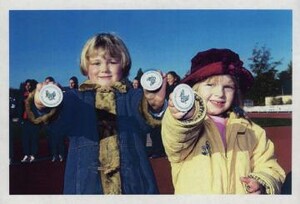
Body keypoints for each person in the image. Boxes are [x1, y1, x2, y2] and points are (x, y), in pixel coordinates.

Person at [32, 33, 167, 194]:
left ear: (123, 66)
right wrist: (45, 104)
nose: (104, 68)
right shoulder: (74, 99)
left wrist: (154, 104)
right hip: (86, 187)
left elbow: (146, 115)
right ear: (86, 68)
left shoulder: (132, 96)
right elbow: (59, 119)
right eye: (96, 63)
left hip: (135, 186)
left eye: (112, 62)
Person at [161, 48, 285, 194]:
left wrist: (262, 182)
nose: (220, 93)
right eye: (210, 85)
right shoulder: (189, 126)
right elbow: (176, 137)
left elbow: (269, 165)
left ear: (236, 91)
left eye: (227, 87)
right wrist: (185, 117)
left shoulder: (252, 131)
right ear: (195, 89)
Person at [19, 79, 39, 163]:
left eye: (29, 85)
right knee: (25, 138)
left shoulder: (35, 96)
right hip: (25, 120)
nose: (27, 86)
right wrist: (21, 119)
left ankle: (33, 155)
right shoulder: (23, 95)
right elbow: (20, 108)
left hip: (33, 120)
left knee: (33, 138)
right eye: (26, 85)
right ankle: (26, 154)